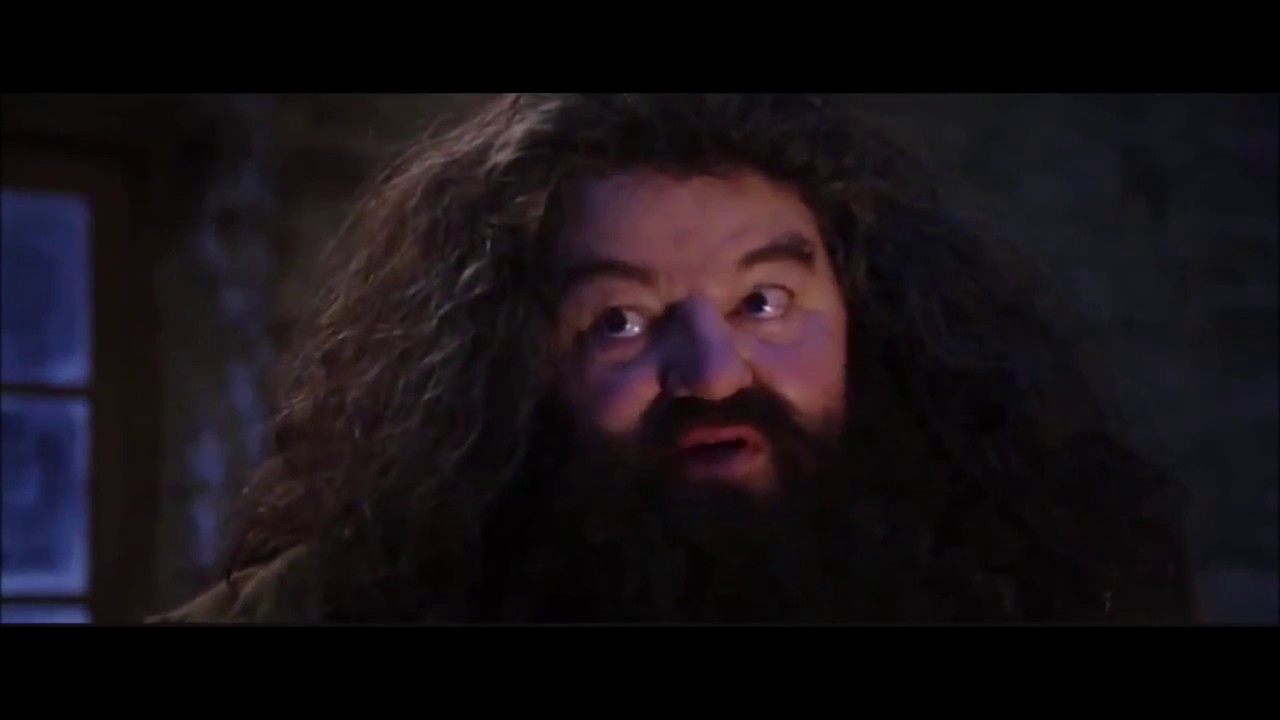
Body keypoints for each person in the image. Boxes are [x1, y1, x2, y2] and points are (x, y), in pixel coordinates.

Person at [151, 94, 1197, 624]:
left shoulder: (1027, 583)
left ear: (865, 316)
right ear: (517, 363)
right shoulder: (372, 598)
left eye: (763, 302)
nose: (710, 373)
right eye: (620, 321)